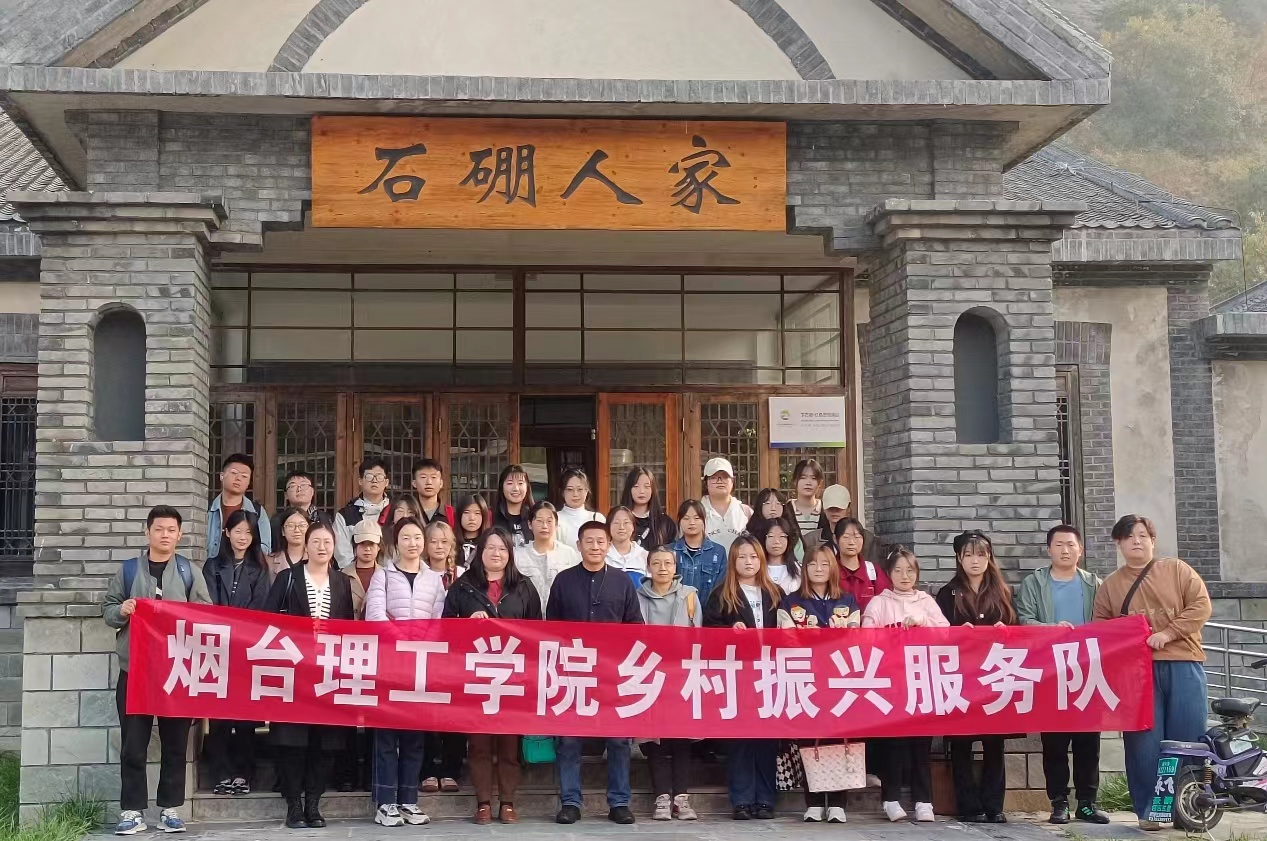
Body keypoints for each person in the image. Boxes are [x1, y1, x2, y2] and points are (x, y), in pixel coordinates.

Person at [1093, 514, 1211, 831]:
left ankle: (1189, 807)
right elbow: (1102, 628)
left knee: (1188, 738)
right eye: (1129, 536)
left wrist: (1168, 633)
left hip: (1184, 662)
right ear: (1118, 543)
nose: (1137, 541)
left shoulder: (1177, 570)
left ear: (1153, 541)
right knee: (1144, 742)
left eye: (1143, 535)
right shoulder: (1110, 586)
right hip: (1137, 673)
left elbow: (1201, 605)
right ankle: (1150, 810)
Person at [105, 506, 212, 836]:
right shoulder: (128, 571)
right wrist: (122, 610)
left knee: (175, 744)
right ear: (147, 532)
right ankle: (132, 810)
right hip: (135, 672)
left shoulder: (189, 572)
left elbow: (205, 613)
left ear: (180, 535)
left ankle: (170, 808)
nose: (165, 535)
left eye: (171, 530)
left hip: (176, 672)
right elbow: (108, 610)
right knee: (133, 745)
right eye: (159, 529)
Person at [444, 527, 543, 824]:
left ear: (510, 553)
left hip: (514, 677)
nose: (496, 554)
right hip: (476, 676)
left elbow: (537, 630)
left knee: (510, 744)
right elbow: (445, 629)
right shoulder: (463, 587)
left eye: (502, 548)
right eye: (490, 548)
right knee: (479, 743)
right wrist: (467, 623)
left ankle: (508, 802)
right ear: (480, 552)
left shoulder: (523, 586)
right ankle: (484, 803)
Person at [547, 520, 643, 826]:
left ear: (609, 545)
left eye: (601, 541)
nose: (595, 547)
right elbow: (551, 628)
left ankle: (619, 802)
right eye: (589, 541)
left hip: (612, 674)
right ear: (578, 545)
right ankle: (570, 802)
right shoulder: (563, 581)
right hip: (572, 672)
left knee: (618, 740)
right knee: (569, 740)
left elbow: (636, 626)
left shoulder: (622, 582)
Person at [1017, 524, 1111, 826]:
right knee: (1054, 743)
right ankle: (1058, 803)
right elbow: (1024, 619)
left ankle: (1087, 803)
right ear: (1049, 550)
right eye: (1058, 545)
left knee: (1088, 743)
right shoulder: (1034, 583)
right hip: (1050, 671)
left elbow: (1108, 622)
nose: (1065, 550)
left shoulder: (1095, 584)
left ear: (1080, 550)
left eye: (1071, 545)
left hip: (1087, 669)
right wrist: (1051, 630)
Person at [265, 521, 354, 829]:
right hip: (293, 671)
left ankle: (313, 804)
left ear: (334, 546)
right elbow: (268, 621)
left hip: (328, 671)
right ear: (305, 545)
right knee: (292, 740)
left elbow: (348, 625)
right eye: (315, 541)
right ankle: (294, 804)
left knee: (326, 741)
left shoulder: (341, 582)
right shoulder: (287, 578)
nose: (321, 547)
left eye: (327, 542)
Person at [365, 517, 447, 827]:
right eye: (406, 537)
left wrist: (422, 644)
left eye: (417, 537)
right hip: (389, 663)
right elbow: (374, 615)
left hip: (420, 666)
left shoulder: (433, 579)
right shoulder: (383, 575)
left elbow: (439, 619)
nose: (413, 543)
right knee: (387, 737)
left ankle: (409, 800)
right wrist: (403, 641)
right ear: (395, 543)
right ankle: (385, 803)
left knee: (414, 737)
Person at [936, 530, 1017, 824]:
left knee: (995, 743)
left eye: (981, 554)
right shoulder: (948, 593)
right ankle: (969, 806)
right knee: (961, 743)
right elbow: (939, 632)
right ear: (959, 558)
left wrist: (1006, 631)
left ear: (989, 557)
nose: (975, 560)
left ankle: (994, 805)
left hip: (994, 675)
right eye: (968, 554)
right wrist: (958, 634)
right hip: (961, 676)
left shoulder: (1003, 591)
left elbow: (1018, 629)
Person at [862, 546, 947, 823]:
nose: (904, 576)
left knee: (921, 745)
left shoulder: (926, 601)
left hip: (921, 680)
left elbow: (946, 633)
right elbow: (866, 636)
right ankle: (891, 799)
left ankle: (924, 801)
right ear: (889, 574)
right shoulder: (879, 603)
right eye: (898, 570)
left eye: (910, 570)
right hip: (890, 681)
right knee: (893, 744)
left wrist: (924, 622)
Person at [776, 543, 858, 823]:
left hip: (838, 677)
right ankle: (812, 800)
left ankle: (837, 802)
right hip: (806, 678)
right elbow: (785, 638)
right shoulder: (791, 602)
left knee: (839, 736)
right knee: (808, 739)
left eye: (824, 564)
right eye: (812, 564)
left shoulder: (847, 601)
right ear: (804, 569)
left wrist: (837, 635)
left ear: (833, 567)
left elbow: (855, 638)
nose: (819, 569)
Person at [703, 535, 781, 821]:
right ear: (733, 562)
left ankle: (766, 799)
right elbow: (709, 632)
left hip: (771, 673)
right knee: (741, 739)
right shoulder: (722, 594)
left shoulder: (775, 593)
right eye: (742, 557)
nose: (748, 562)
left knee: (767, 739)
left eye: (753, 556)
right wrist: (729, 632)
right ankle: (742, 799)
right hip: (737, 673)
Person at [203, 510, 271, 798]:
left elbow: (261, 606)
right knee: (218, 716)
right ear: (227, 533)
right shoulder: (212, 565)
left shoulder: (260, 568)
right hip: (217, 648)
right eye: (238, 531)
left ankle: (244, 773)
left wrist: (240, 630)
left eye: (248, 532)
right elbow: (208, 603)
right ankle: (220, 773)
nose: (243, 537)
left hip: (246, 648)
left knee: (245, 716)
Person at [636, 546, 701, 821]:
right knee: (655, 739)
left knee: (681, 738)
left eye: (668, 563)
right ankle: (662, 797)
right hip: (648, 673)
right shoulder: (637, 596)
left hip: (681, 674)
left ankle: (681, 798)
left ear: (676, 567)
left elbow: (698, 637)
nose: (662, 568)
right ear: (648, 567)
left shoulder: (690, 596)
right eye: (656, 563)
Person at [420, 519, 466, 793]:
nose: (439, 546)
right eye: (433, 541)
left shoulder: (464, 575)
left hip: (456, 654)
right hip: (425, 650)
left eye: (444, 541)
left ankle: (451, 769)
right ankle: (428, 769)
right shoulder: (419, 573)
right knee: (426, 711)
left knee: (455, 711)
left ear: (452, 545)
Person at [515, 500, 580, 608]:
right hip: (528, 614)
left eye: (549, 521)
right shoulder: (518, 555)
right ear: (530, 524)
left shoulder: (568, 553)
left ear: (556, 525)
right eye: (539, 521)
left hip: (561, 613)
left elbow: (576, 588)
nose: (544, 526)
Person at [208, 453, 271, 558]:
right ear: (222, 476)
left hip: (245, 567)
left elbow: (265, 547)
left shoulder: (257, 512)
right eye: (234, 473)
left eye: (244, 476)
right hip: (208, 566)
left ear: (248, 483)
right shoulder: (207, 509)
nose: (238, 478)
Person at [334, 457, 393, 568]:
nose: (374, 481)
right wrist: (357, 572)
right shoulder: (345, 515)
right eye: (369, 476)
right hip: (354, 574)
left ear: (386, 482)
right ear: (360, 481)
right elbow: (343, 554)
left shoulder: (395, 511)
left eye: (379, 477)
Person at [670, 499, 727, 600]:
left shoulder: (718, 552)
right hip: (676, 609)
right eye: (686, 518)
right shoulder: (669, 551)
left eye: (697, 518)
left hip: (709, 609)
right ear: (679, 521)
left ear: (704, 520)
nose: (691, 522)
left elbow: (721, 589)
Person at [834, 517, 892, 611]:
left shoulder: (873, 572)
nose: (851, 542)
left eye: (857, 537)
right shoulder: (829, 571)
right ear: (835, 539)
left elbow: (886, 604)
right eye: (846, 537)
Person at [701, 458, 752, 552]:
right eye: (714, 477)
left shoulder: (746, 512)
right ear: (705, 482)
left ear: (732, 481)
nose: (720, 481)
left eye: (725, 477)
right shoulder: (697, 511)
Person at [620, 467, 676, 549]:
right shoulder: (619, 520)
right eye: (636, 486)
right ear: (629, 489)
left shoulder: (664, 522)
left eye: (646, 487)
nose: (641, 491)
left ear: (653, 490)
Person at [269, 469, 326, 546]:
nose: (299, 489)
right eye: (293, 486)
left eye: (304, 485)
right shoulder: (277, 520)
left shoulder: (324, 518)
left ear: (312, 492)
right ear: (286, 495)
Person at [556, 468, 605, 549]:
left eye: (580, 489)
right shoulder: (555, 519)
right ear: (562, 492)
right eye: (570, 489)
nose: (575, 494)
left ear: (586, 491)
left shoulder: (597, 518)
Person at [344, 518, 382, 619]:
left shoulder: (387, 576)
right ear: (355, 545)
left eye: (371, 544)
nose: (367, 549)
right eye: (362, 543)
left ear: (379, 547)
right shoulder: (342, 576)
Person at [754, 515, 800, 594]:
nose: (776, 541)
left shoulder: (799, 570)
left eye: (782, 536)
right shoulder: (755, 568)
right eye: (771, 536)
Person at [494, 464, 534, 548]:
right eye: (510, 483)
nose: (515, 488)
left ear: (527, 487)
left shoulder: (535, 516)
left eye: (520, 483)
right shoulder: (491, 516)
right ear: (501, 487)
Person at [606, 506, 649, 584]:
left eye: (626, 523)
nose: (621, 527)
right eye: (616, 523)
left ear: (633, 527)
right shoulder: (602, 555)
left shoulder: (644, 556)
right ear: (608, 527)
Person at [268, 507, 309, 582]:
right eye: (291, 526)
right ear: (283, 531)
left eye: (302, 525)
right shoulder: (269, 561)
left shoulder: (316, 559)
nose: (297, 530)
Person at [411, 458, 455, 526]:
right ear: (414, 483)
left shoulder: (450, 513)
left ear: (441, 483)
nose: (429, 482)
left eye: (433, 477)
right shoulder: (408, 511)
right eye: (423, 477)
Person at [788, 459, 825, 538]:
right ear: (795, 481)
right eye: (803, 477)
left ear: (819, 483)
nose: (808, 483)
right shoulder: (786, 510)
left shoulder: (825, 510)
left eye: (813, 478)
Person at [456, 493, 492, 566]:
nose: (472, 518)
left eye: (477, 513)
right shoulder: (451, 543)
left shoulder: (489, 543)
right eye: (466, 512)